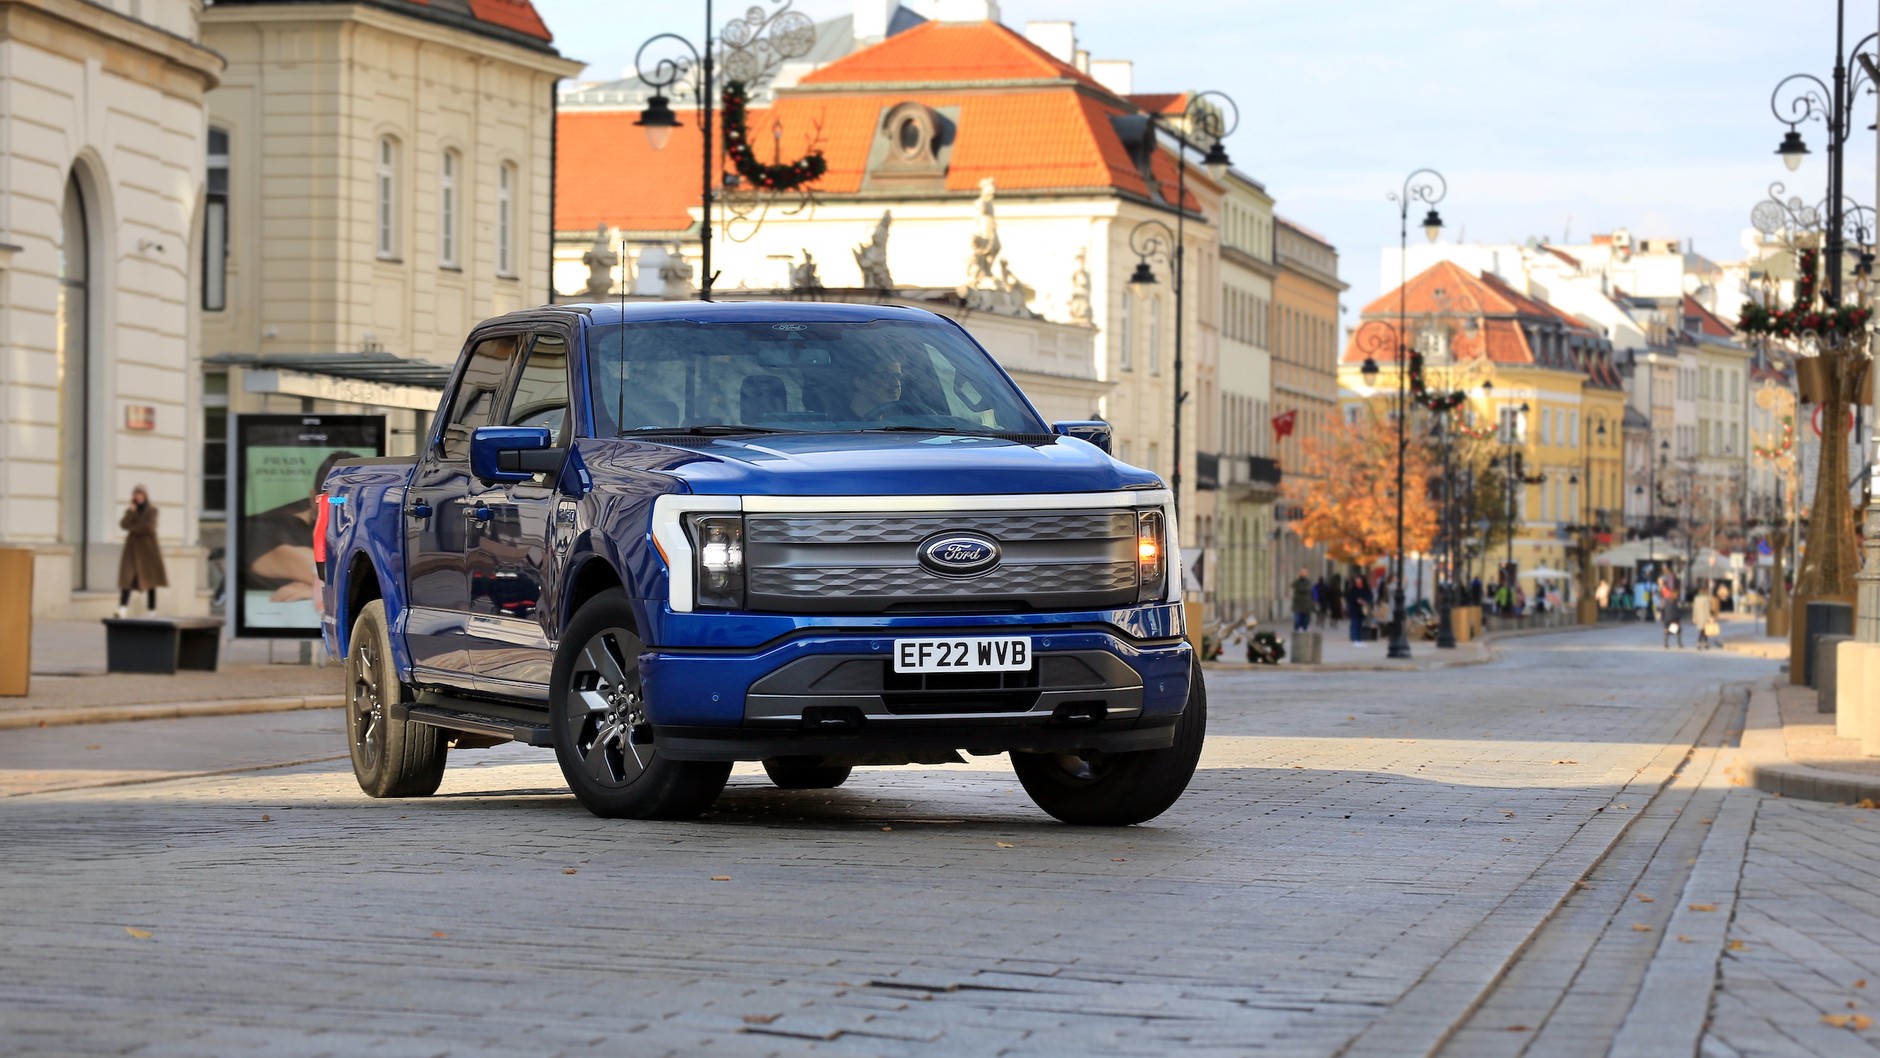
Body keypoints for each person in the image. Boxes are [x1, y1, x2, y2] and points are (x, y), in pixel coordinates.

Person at [245, 450, 358, 608]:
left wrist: (316, 589)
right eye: (337, 501)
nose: (347, 511)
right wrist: (321, 587)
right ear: (313, 498)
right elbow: (334, 576)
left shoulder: (325, 510)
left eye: (360, 502)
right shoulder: (273, 528)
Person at [115, 486, 167, 618]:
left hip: (148, 549)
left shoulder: (152, 511)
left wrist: (133, 528)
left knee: (151, 581)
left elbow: (150, 528)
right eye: (136, 494)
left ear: (145, 495)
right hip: (131, 549)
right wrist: (131, 512)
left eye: (140, 493)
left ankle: (152, 610)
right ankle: (122, 609)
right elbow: (123, 525)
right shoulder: (132, 510)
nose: (138, 496)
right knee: (126, 579)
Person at [1346, 572, 1372, 645]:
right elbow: (1349, 598)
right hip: (1354, 609)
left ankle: (1359, 638)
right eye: (1357, 581)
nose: (1358, 583)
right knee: (1354, 623)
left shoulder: (1366, 589)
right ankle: (1354, 639)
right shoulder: (1353, 589)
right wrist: (1357, 600)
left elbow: (1369, 597)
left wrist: (1365, 601)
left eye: (1360, 581)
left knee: (1360, 624)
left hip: (1362, 610)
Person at [1290, 568, 1314, 633]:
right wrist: (1298, 583)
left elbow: (1306, 589)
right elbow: (1292, 585)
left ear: (1307, 574)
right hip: (1297, 604)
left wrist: (1298, 588)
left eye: (1304, 573)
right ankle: (1297, 631)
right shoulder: (1297, 581)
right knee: (1297, 620)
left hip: (1306, 605)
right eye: (1301, 572)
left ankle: (1304, 631)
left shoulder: (1309, 582)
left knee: (1305, 621)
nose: (1303, 574)